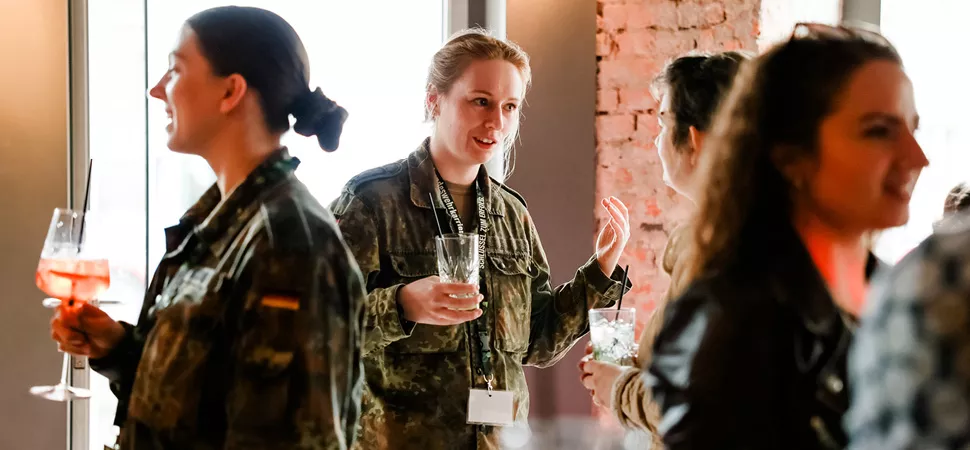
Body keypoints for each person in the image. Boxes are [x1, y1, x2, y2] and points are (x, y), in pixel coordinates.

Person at [48, 6, 366, 449]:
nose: (157, 89)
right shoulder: (220, 220)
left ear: (230, 91)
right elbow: (207, 397)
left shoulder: (288, 243)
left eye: (176, 70)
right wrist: (118, 349)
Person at [329, 29, 632, 450]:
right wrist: (402, 304)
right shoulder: (369, 202)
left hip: (502, 442)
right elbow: (322, 323)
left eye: (510, 106)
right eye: (481, 101)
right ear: (434, 100)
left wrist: (599, 271)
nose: (497, 122)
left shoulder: (512, 214)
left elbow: (537, 342)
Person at [645, 23, 927, 449]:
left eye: (913, 129)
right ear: (791, 154)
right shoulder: (735, 317)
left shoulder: (895, 292)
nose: (916, 157)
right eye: (878, 131)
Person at [578, 51, 748, 444]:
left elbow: (701, 405)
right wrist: (632, 365)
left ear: (695, 140)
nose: (656, 140)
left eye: (663, 122)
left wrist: (620, 388)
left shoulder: (718, 246)